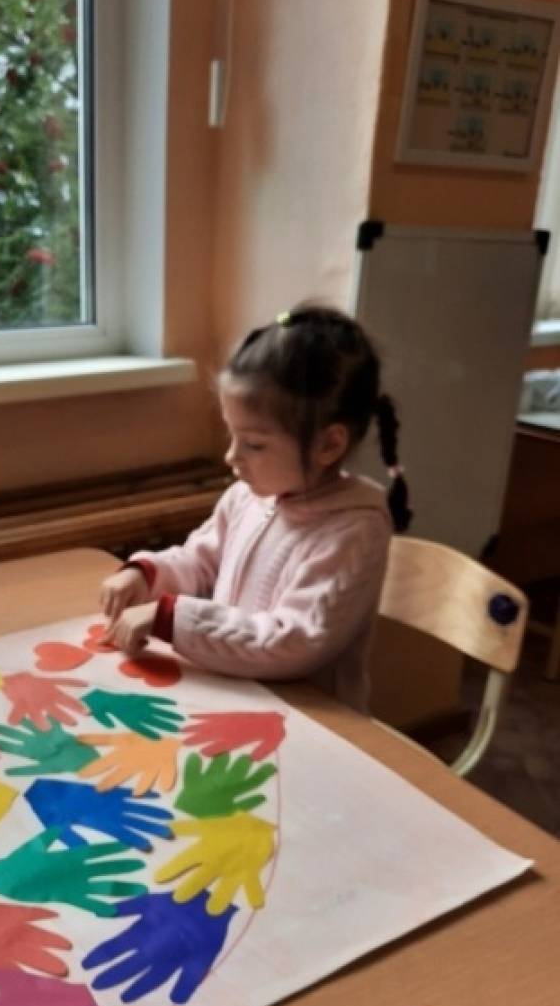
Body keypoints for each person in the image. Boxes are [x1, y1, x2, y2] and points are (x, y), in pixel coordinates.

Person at [100, 304, 412, 713]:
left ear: (328, 445)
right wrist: (147, 574)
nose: (231, 456)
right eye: (232, 435)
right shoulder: (247, 496)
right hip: (235, 696)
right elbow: (200, 560)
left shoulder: (354, 531)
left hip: (310, 720)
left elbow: (293, 640)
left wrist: (171, 619)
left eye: (254, 444)